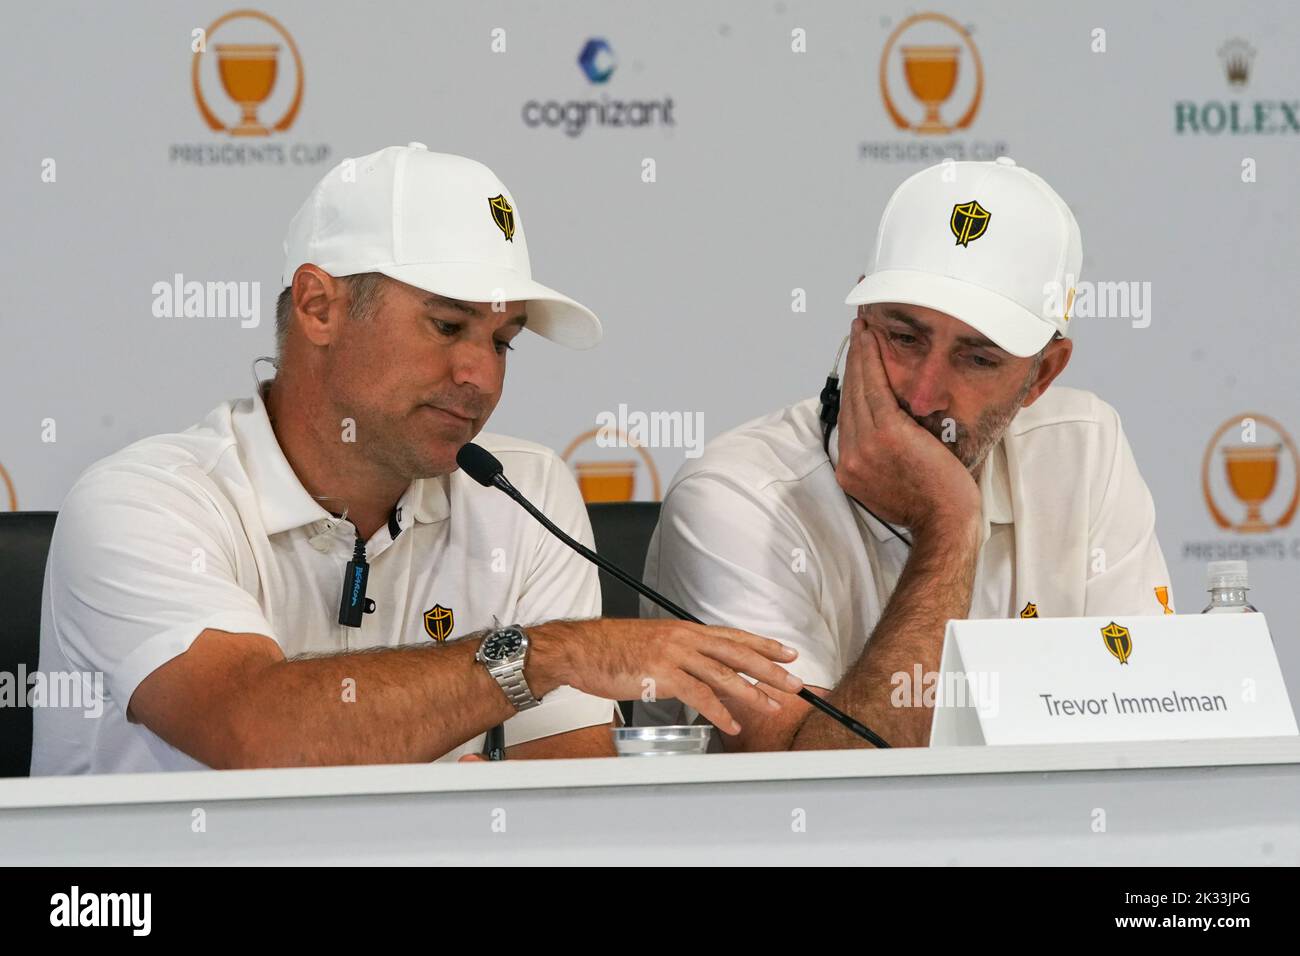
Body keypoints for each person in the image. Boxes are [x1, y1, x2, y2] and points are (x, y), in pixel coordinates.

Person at [31, 143, 800, 774]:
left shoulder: (523, 490)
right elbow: (254, 733)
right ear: (318, 306)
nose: (483, 377)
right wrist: (539, 656)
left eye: (502, 341)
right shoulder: (143, 502)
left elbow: (569, 803)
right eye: (446, 326)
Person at [638, 157, 1172, 751]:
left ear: (1042, 376)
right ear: (860, 323)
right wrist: (949, 523)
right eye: (904, 337)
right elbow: (812, 799)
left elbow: (1147, 727)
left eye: (977, 359)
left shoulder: (1083, 446)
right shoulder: (735, 498)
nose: (922, 394)